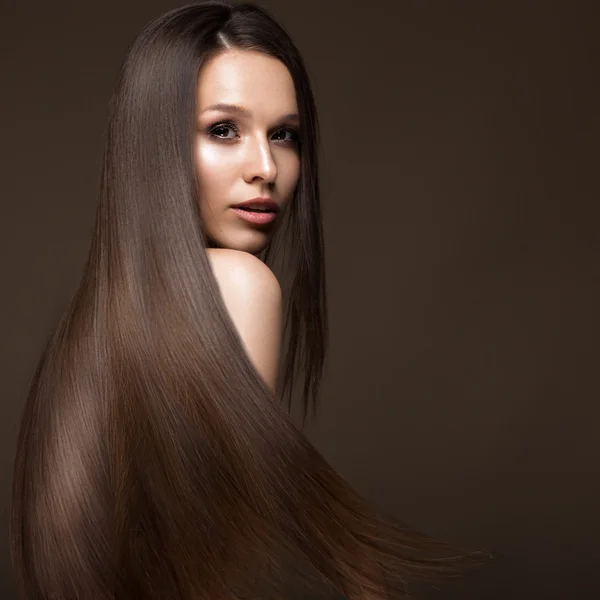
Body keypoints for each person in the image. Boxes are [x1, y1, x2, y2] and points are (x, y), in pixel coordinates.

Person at [10, 2, 491, 599]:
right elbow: (218, 570)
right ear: (154, 146)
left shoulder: (87, 329)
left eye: (284, 135)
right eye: (223, 130)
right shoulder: (240, 285)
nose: (266, 167)